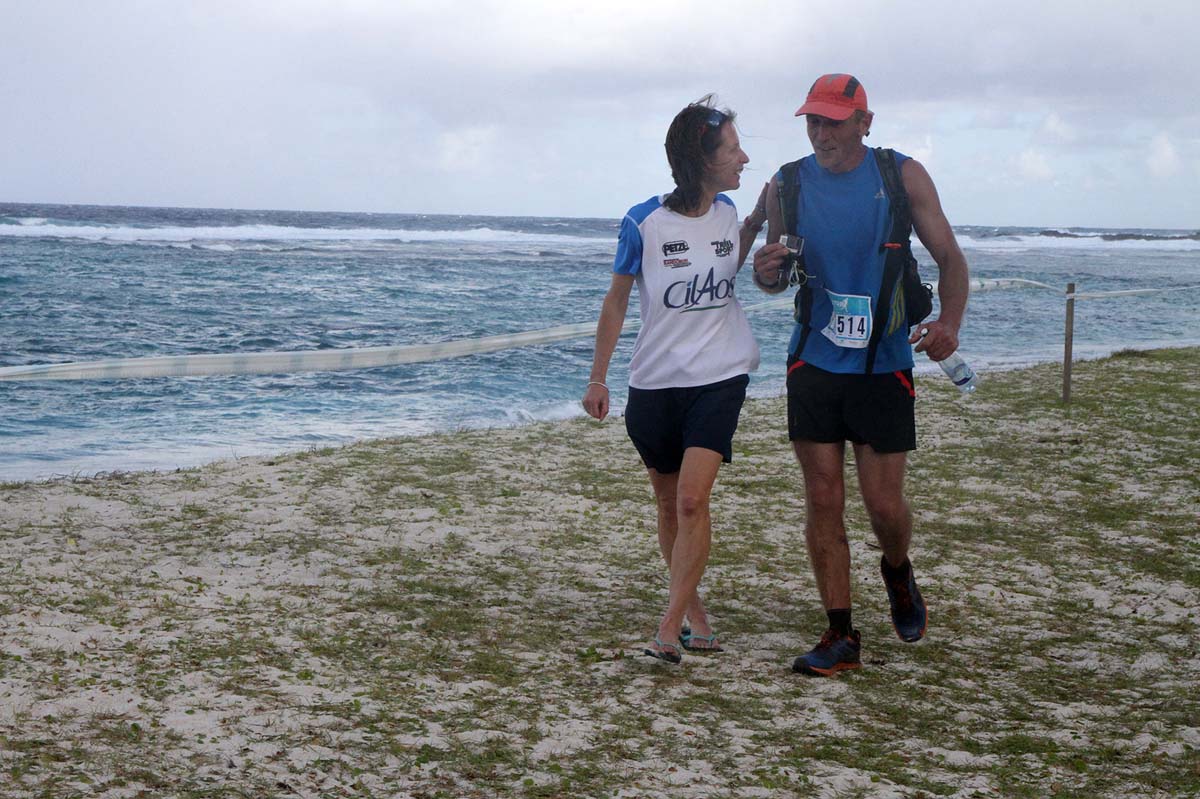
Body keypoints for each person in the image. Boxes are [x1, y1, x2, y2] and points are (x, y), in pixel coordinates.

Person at [750, 74, 970, 676]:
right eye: (813, 121)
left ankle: (897, 571)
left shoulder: (902, 176)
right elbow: (773, 271)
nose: (822, 133)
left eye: (834, 121)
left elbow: (951, 258)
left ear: (864, 122)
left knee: (883, 506)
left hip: (884, 363)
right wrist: (765, 271)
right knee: (822, 497)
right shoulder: (787, 183)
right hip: (813, 359)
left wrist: (949, 321)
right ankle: (839, 633)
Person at [582, 96, 767, 664]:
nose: (743, 157)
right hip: (654, 382)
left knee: (692, 500)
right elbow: (616, 303)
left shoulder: (732, 212)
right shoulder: (644, 221)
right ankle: (695, 614)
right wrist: (599, 379)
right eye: (732, 149)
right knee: (668, 505)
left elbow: (733, 265)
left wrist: (764, 225)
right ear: (700, 160)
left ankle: (667, 627)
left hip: (721, 375)